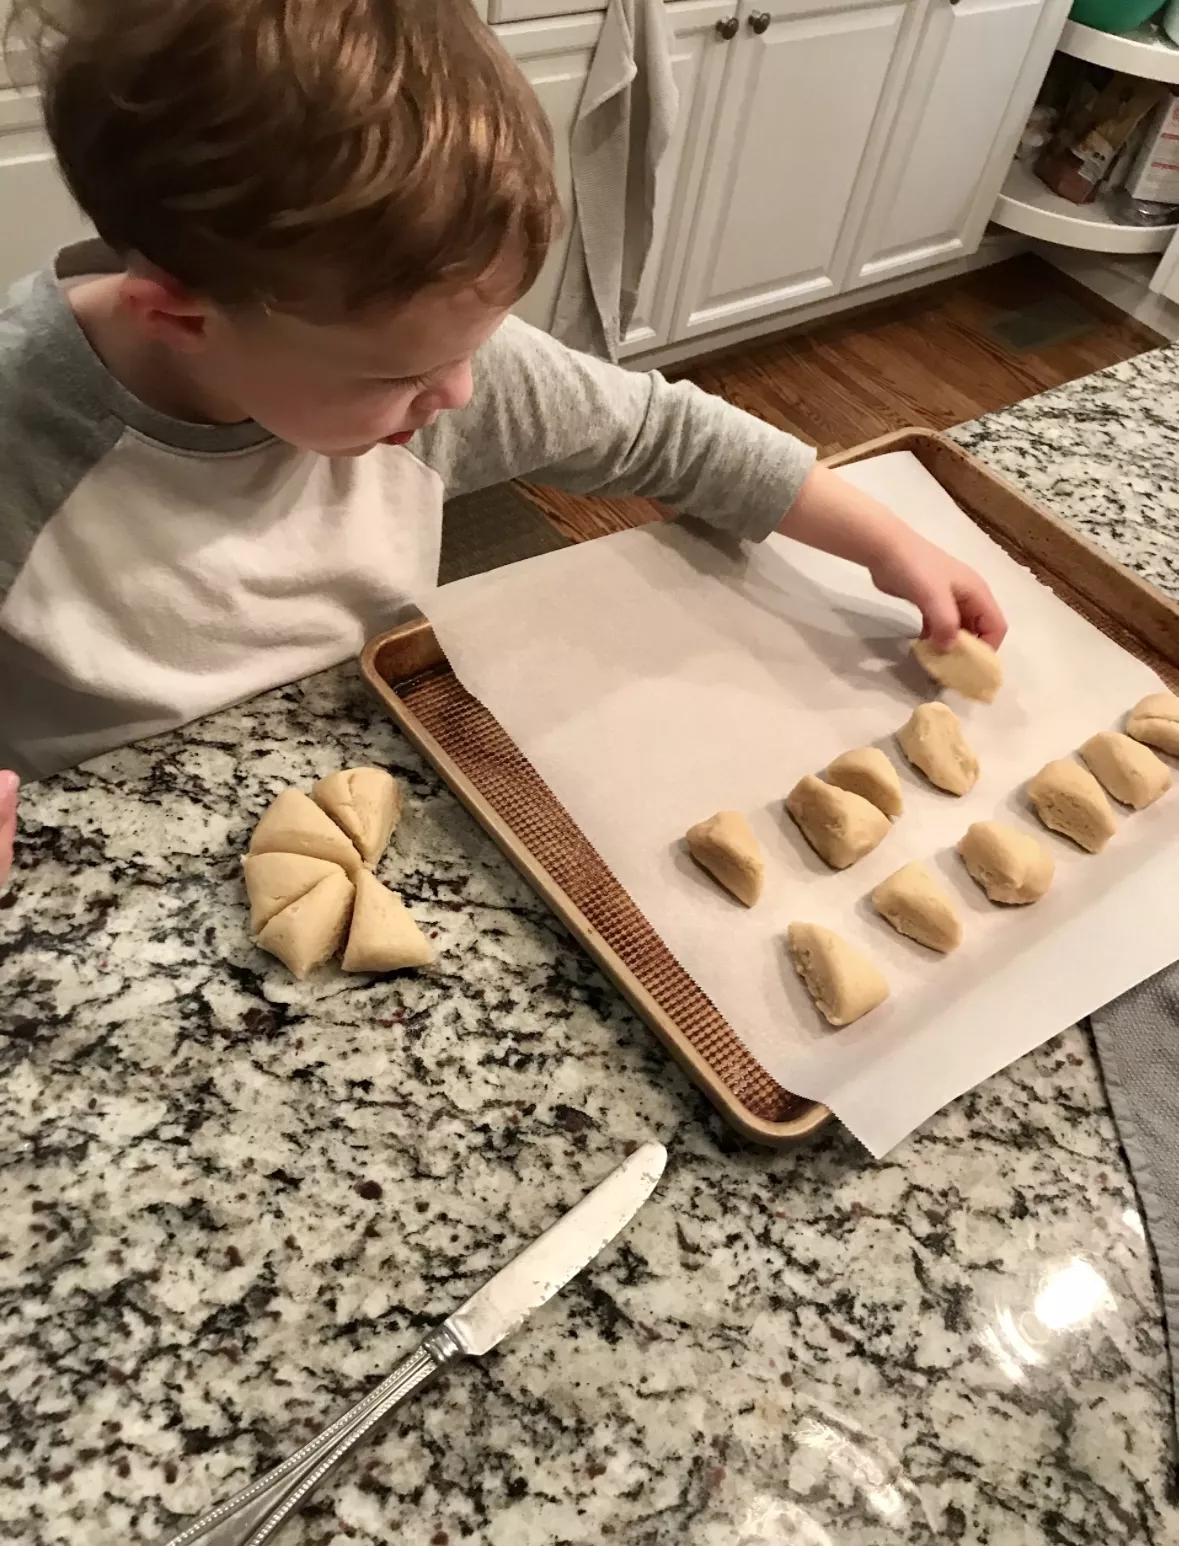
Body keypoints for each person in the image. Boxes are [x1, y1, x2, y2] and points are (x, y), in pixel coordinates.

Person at [0, 0, 1004, 793]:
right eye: (398, 378)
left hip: (387, 760)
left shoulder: (419, 357)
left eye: (473, 347)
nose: (462, 392)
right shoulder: (20, 430)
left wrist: (887, 541)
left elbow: (667, 435)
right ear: (181, 318)